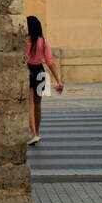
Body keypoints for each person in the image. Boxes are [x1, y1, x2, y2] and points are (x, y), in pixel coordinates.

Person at [27, 15, 62, 146]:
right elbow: (50, 61)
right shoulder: (44, 41)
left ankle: (34, 134)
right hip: (41, 72)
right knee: (38, 105)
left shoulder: (24, 41)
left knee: (30, 105)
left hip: (29, 71)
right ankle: (38, 132)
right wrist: (58, 80)